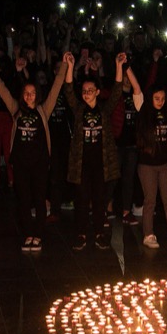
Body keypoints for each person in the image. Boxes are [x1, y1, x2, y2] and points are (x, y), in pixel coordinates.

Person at [0, 54, 66, 252]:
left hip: (39, 164)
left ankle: (38, 235)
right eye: (26, 93)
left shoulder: (43, 110)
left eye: (32, 93)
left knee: (39, 200)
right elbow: (1, 88)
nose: (29, 96)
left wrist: (64, 64)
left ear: (37, 94)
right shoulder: (16, 110)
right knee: (23, 200)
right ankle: (28, 234)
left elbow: (56, 87)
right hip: (21, 164)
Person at [63, 51, 124, 250]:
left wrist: (118, 66)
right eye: (85, 90)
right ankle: (81, 233)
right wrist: (71, 67)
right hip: (81, 164)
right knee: (81, 200)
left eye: (91, 89)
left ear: (97, 92)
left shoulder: (104, 110)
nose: (87, 92)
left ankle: (99, 232)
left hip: (101, 164)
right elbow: (69, 91)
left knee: (99, 200)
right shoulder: (79, 110)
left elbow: (116, 91)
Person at [128, 66, 167, 249]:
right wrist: (126, 67)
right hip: (147, 165)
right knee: (150, 201)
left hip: (165, 164)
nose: (161, 101)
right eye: (157, 98)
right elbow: (136, 87)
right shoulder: (143, 108)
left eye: (163, 99)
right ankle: (148, 235)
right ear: (150, 98)